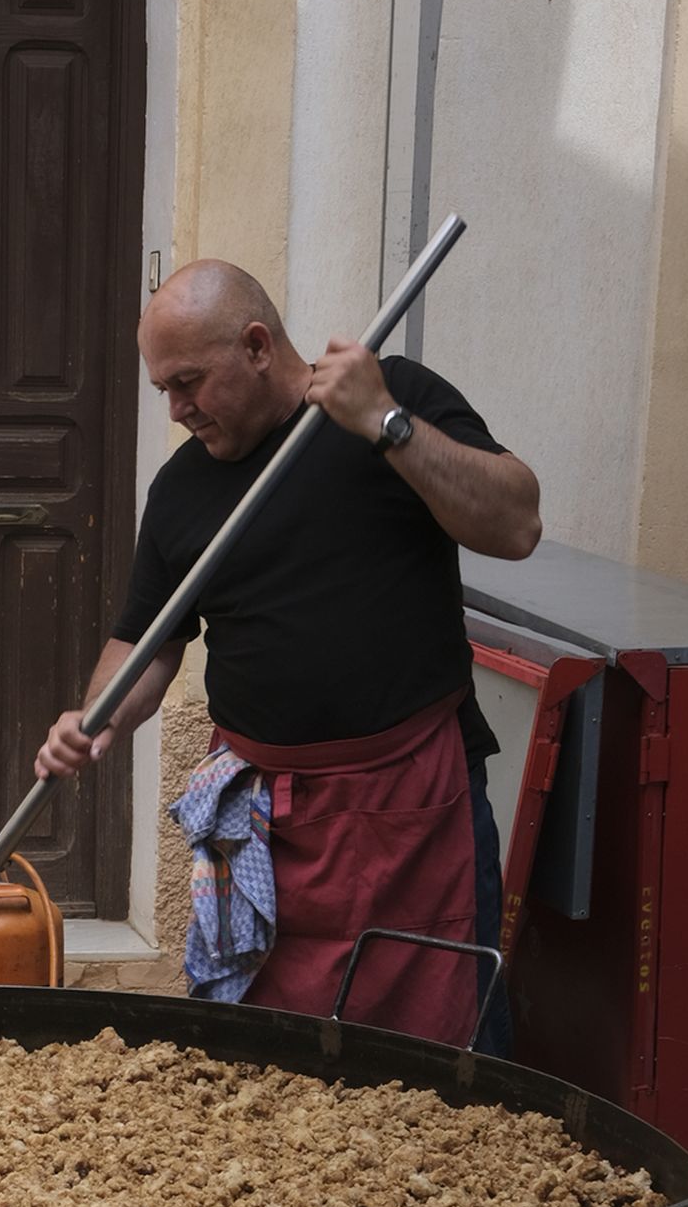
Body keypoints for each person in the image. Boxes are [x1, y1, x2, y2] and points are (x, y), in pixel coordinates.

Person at [35, 262, 542, 1047]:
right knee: (263, 1071)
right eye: (163, 388)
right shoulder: (181, 490)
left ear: (258, 345)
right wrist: (95, 717)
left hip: (413, 814)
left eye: (189, 382)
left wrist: (385, 422)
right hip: (264, 829)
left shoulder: (392, 397)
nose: (176, 410)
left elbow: (517, 525)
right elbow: (147, 639)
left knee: (450, 1073)